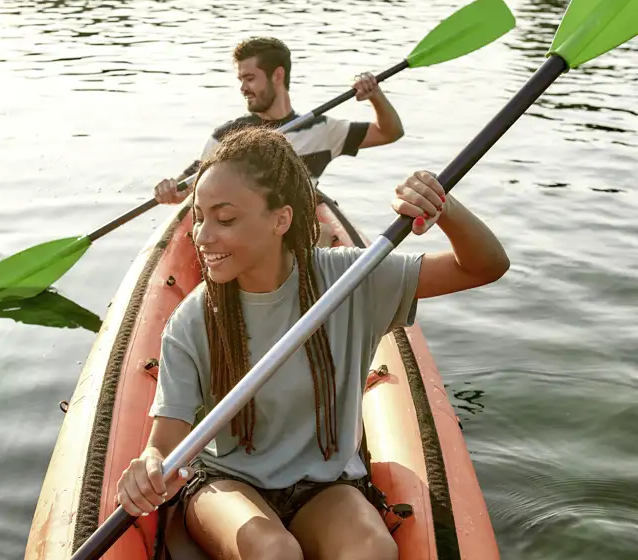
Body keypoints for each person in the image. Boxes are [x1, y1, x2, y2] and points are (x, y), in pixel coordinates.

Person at [117, 127, 509, 560]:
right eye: (199, 217)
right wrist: (151, 463)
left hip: (323, 485)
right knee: (274, 553)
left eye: (224, 219)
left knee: (372, 550)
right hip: (226, 481)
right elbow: (166, 441)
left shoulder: (351, 281)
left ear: (280, 220)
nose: (203, 236)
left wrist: (444, 206)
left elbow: (484, 266)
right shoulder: (193, 319)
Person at [153, 36, 405, 206]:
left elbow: (390, 132)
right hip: (243, 241)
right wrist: (170, 191)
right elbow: (186, 189)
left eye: (250, 78)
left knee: (321, 234)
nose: (243, 87)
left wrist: (376, 96)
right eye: (240, 79)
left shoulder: (321, 130)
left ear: (278, 75)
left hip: (296, 237)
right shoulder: (225, 137)